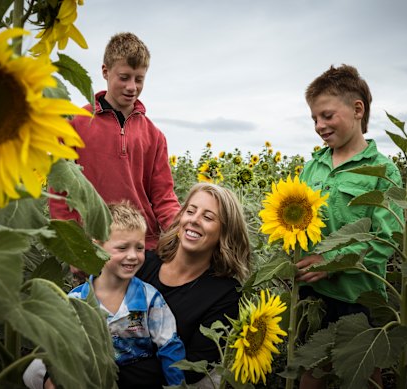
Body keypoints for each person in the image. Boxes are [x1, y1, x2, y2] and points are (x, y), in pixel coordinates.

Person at [295, 64, 404, 388]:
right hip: (314, 294)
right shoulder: (313, 167)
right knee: (310, 372)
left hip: (360, 297)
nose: (319, 125)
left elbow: (386, 238)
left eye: (327, 115)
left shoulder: (383, 170)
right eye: (314, 118)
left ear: (358, 109)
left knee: (363, 376)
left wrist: (332, 264)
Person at [23, 201, 186, 389]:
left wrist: (177, 385)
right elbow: (62, 349)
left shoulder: (150, 299)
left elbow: (170, 346)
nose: (133, 256)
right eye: (122, 248)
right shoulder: (76, 301)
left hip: (135, 377)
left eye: (139, 248)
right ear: (97, 248)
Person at [49, 32, 180, 256]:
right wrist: (73, 248)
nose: (132, 87)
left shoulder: (154, 136)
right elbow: (60, 193)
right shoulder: (74, 123)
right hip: (93, 245)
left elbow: (163, 197)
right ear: (105, 72)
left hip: (142, 248)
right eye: (124, 77)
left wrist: (180, 236)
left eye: (139, 79)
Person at [129, 182, 252, 387]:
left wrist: (117, 368)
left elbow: (193, 368)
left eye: (208, 217)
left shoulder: (225, 294)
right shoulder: (143, 264)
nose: (194, 220)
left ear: (224, 233)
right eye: (191, 211)